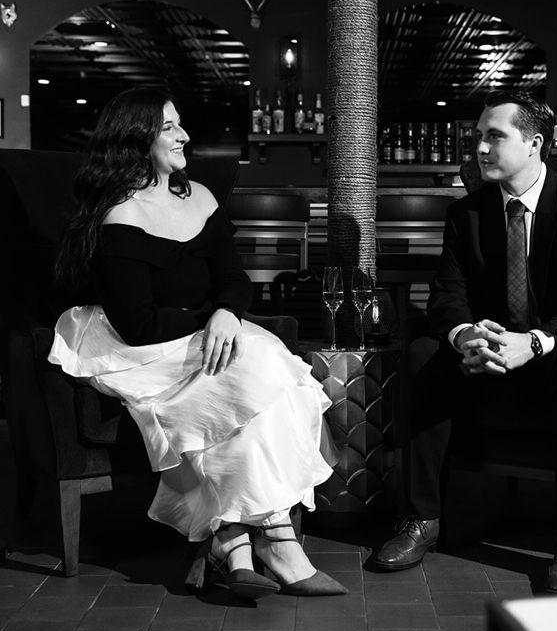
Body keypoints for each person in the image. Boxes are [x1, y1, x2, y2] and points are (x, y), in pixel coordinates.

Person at [49, 87, 346, 601]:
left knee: (264, 378)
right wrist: (213, 321)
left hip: (201, 328)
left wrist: (227, 312)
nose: (184, 135)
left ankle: (235, 544)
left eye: (180, 123)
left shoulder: (200, 197)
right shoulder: (120, 218)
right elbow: (139, 325)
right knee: (258, 374)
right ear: (136, 140)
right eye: (168, 127)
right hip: (136, 348)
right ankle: (271, 543)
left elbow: (234, 279)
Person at [372, 91, 557, 595]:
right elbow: (446, 297)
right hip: (490, 352)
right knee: (425, 353)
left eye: (495, 136)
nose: (480, 148)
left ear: (534, 143)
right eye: (478, 137)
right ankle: (421, 519)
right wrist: (466, 335)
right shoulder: (466, 214)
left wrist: (533, 342)